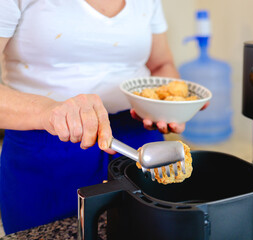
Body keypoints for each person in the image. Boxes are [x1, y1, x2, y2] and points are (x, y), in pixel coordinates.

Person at [0, 0, 188, 234]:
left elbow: (161, 64)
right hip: (47, 151)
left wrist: (171, 106)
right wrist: (48, 111)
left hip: (139, 142)